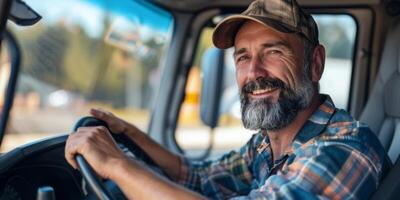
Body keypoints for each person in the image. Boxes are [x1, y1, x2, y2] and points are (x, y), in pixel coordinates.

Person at [65, 0, 388, 199]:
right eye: (242, 58)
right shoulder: (267, 145)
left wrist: (115, 164)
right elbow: (196, 176)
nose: (254, 72)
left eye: (274, 52)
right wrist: (128, 135)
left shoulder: (346, 147)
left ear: (315, 63)